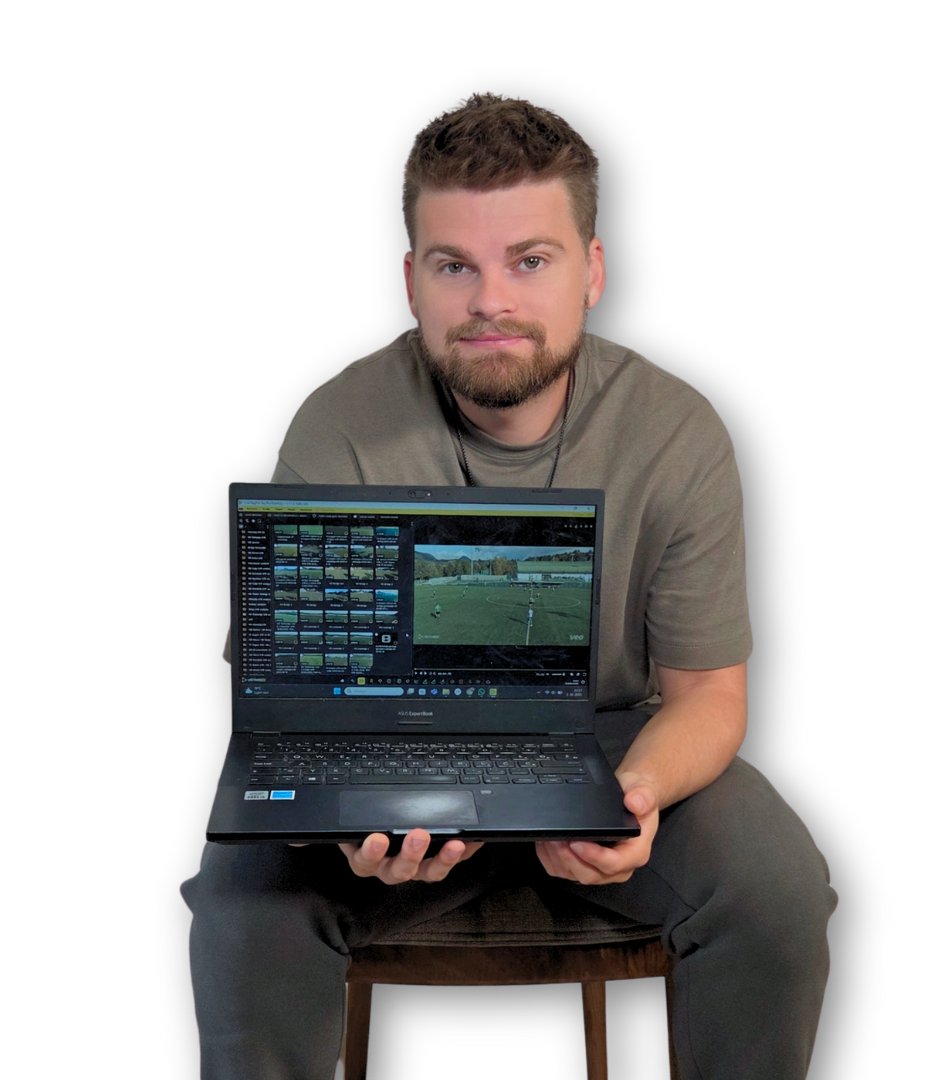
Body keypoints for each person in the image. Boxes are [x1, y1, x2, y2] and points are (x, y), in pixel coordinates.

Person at [182, 92, 836, 1079]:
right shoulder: (339, 422)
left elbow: (712, 696)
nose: (491, 302)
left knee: (782, 887)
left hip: (615, 733)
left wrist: (634, 794)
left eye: (530, 260)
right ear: (412, 281)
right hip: (385, 744)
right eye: (456, 266)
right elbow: (285, 711)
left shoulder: (679, 429)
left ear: (595, 272)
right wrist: (346, 821)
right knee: (236, 900)